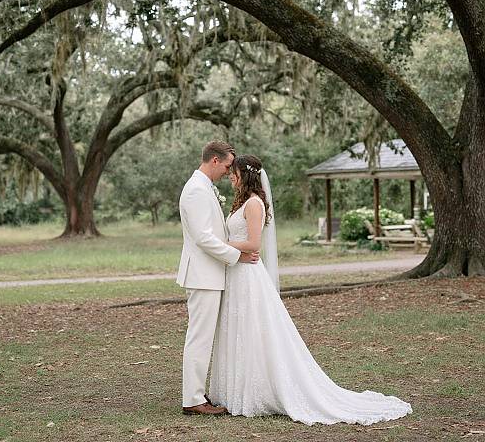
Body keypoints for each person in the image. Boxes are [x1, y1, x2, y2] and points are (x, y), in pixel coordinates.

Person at [209, 154, 413, 425]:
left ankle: (259, 390)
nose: (230, 177)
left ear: (245, 175)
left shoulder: (255, 204)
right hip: (236, 273)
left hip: (248, 276)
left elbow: (254, 243)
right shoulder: (241, 203)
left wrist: (217, 244)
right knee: (238, 330)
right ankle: (234, 389)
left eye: (233, 173)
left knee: (252, 330)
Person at [177, 141, 259, 416]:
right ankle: (193, 400)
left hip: (210, 273)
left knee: (204, 336)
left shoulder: (204, 188)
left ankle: (197, 394)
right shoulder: (196, 191)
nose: (228, 171)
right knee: (199, 337)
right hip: (202, 274)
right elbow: (204, 238)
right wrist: (236, 256)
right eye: (226, 166)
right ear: (214, 160)